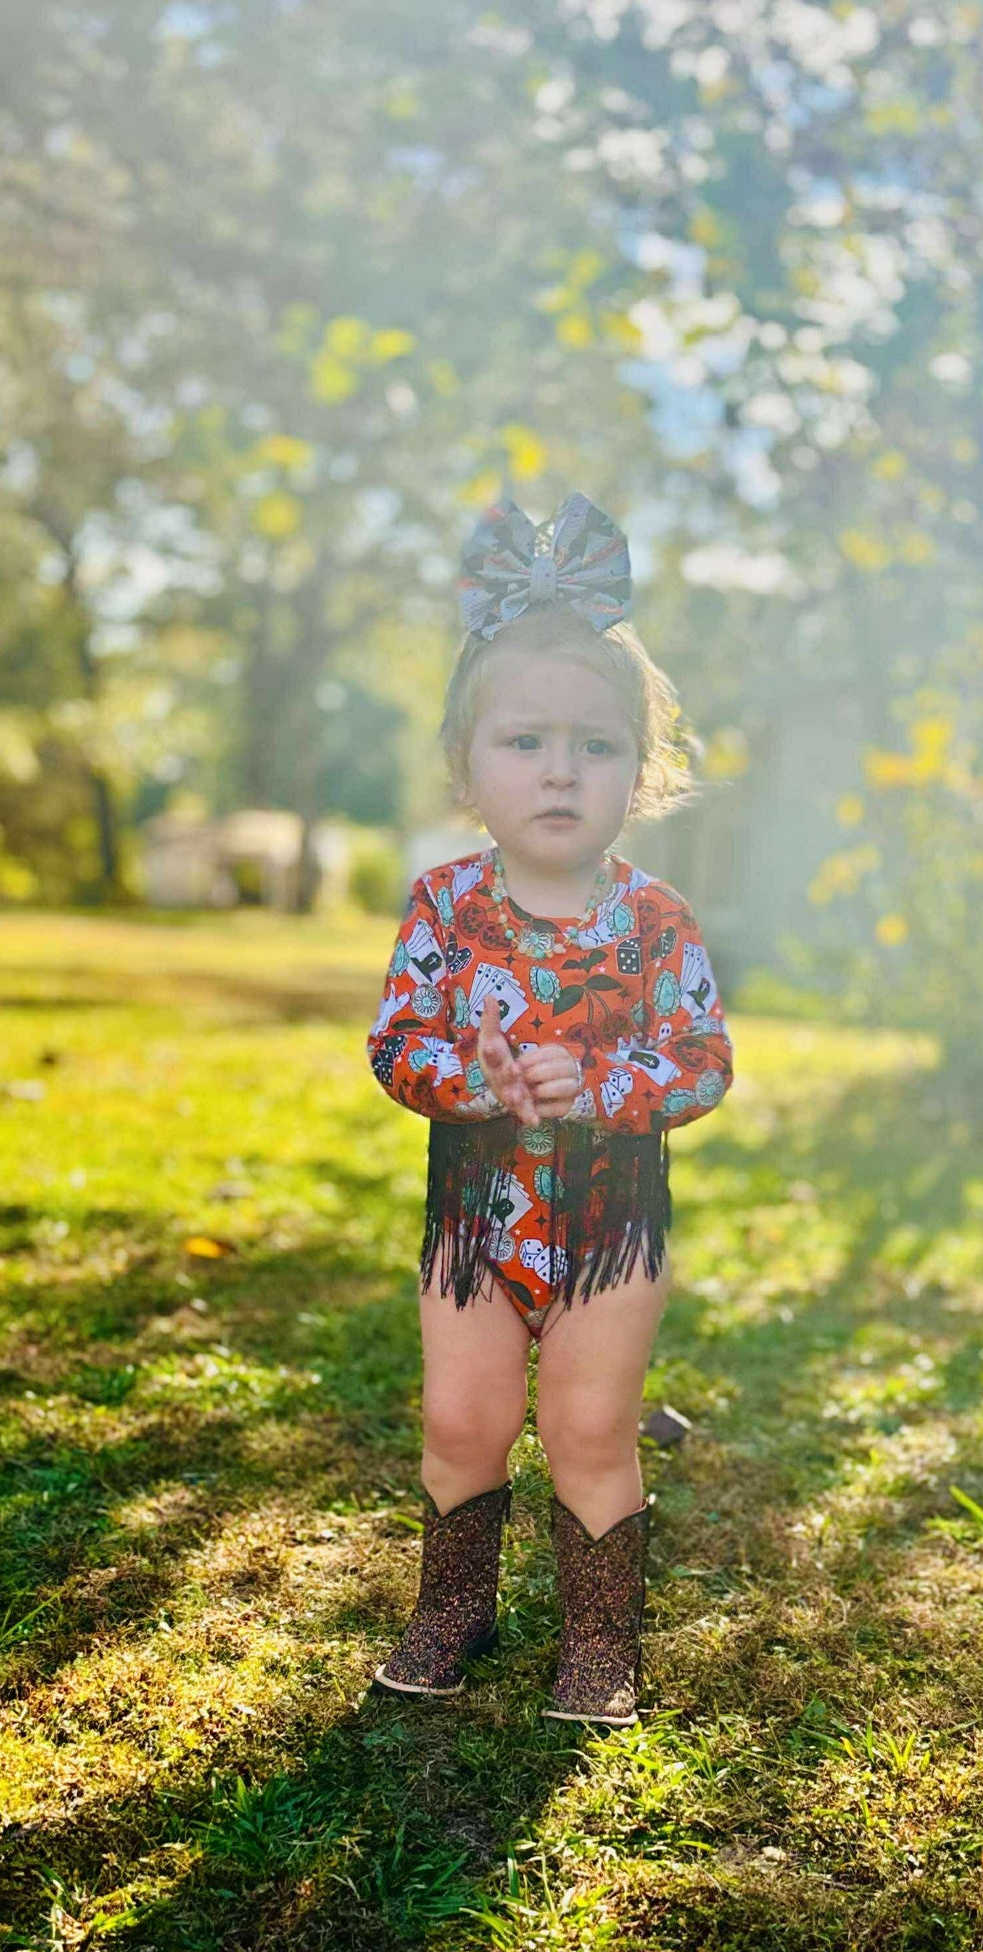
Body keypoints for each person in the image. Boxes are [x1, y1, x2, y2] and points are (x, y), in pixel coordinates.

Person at [365, 491, 733, 1726]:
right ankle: (452, 1603)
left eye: (595, 743)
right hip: (473, 1220)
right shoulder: (443, 907)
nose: (561, 768)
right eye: (523, 741)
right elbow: (395, 1043)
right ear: (466, 766)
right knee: (461, 1415)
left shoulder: (655, 922)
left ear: (642, 766)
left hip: (607, 1223)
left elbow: (702, 1058)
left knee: (587, 1421)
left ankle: (598, 1638)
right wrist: (471, 1077)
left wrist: (607, 1086)